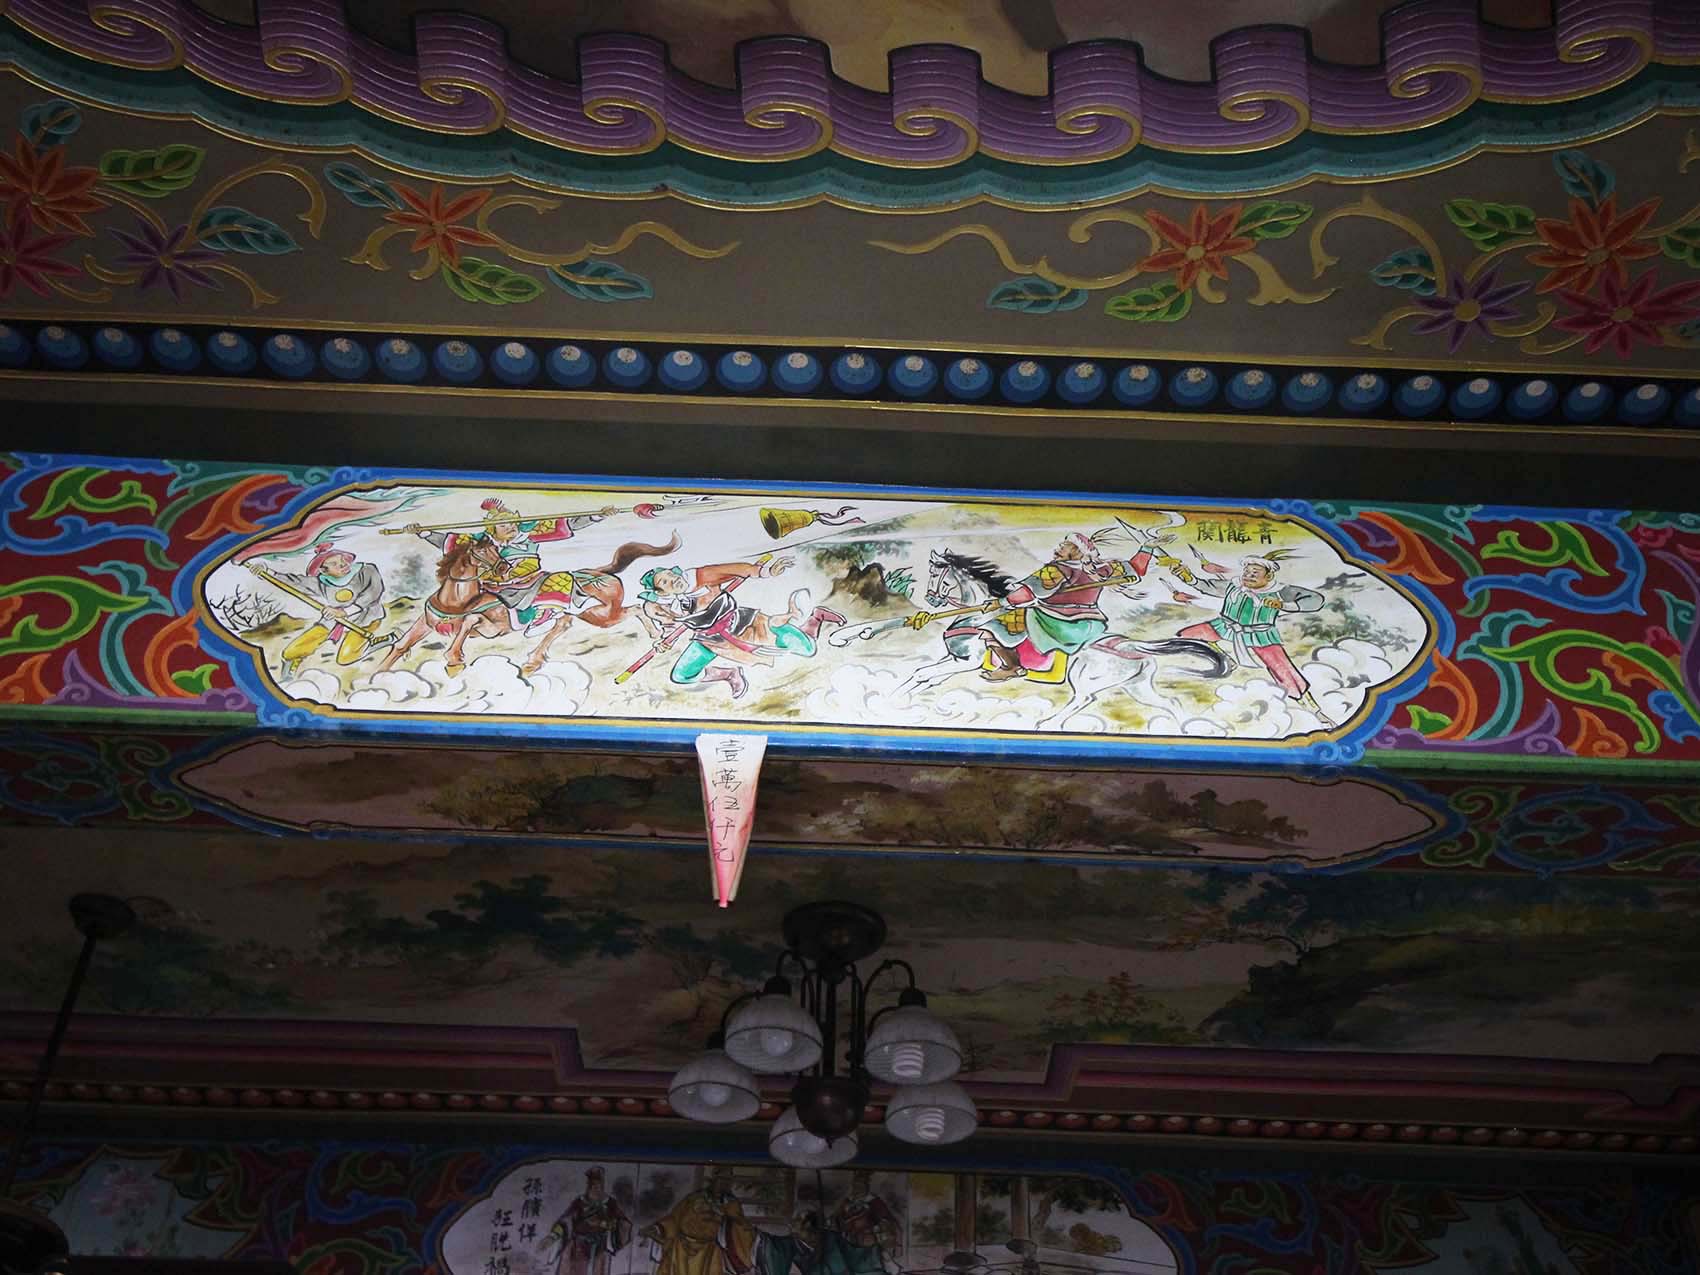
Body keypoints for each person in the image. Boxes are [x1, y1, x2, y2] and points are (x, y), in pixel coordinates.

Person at [1163, 550, 1335, 727]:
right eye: (1247, 571)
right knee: (1187, 636)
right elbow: (1207, 586)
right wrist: (1188, 577)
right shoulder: (1235, 586)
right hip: (1225, 626)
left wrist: (1284, 604)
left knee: (1285, 672)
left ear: (1269, 576)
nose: (1249, 575)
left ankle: (1314, 710)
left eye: (1255, 573)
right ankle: (1224, 659)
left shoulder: (1280, 591)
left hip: (1259, 634)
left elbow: (1316, 600)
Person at [636, 557, 842, 700]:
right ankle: (730, 674)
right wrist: (663, 644)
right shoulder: (671, 605)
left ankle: (815, 618)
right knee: (682, 674)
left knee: (808, 649)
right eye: (665, 582)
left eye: (670, 575)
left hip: (744, 624)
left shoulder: (702, 576)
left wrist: (766, 571)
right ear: (661, 592)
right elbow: (669, 629)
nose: (673, 580)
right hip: (709, 640)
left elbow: (738, 569)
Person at [978, 531, 1158, 682]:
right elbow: (1135, 567)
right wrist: (1148, 547)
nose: (1057, 549)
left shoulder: (1057, 570)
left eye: (1063, 546)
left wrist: (999, 602)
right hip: (1092, 624)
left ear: (1075, 551)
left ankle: (1011, 667)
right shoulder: (1102, 569)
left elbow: (1026, 594)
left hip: (1058, 621)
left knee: (993, 628)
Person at [246, 542, 385, 680]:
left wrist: (345, 612)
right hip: (333, 620)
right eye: (334, 564)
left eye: (342, 559)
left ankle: (376, 643)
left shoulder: (366, 570)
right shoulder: (322, 582)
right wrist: (267, 572)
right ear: (324, 571)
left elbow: (372, 594)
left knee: (346, 658)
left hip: (365, 619)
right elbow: (295, 582)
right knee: (291, 652)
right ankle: (289, 671)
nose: (343, 564)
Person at [644, 1169, 758, 1275]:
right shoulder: (693, 1198)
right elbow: (674, 1219)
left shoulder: (731, 1204)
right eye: (721, 1179)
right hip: (681, 1250)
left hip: (710, 1252)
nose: (724, 1184)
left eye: (727, 1180)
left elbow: (741, 1226)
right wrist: (656, 1228)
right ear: (713, 1180)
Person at [544, 1167, 632, 1275]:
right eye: (593, 1184)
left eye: (598, 1184)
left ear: (602, 1185)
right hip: (578, 1248)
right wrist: (553, 1236)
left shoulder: (610, 1203)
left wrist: (604, 1224)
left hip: (600, 1248)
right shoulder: (579, 1202)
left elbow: (623, 1223)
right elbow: (567, 1220)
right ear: (588, 1185)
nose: (595, 1188)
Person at [830, 1172, 899, 1275]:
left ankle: (887, 1264)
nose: (857, 1188)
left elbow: (884, 1218)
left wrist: (882, 1226)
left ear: (866, 1186)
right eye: (855, 1185)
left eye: (860, 1185)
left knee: (872, 1242)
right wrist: (834, 1221)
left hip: (868, 1234)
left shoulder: (874, 1201)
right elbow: (837, 1217)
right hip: (848, 1235)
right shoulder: (847, 1201)